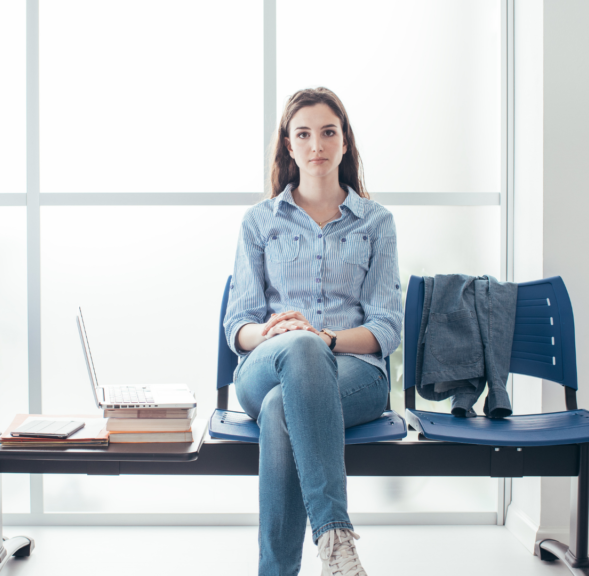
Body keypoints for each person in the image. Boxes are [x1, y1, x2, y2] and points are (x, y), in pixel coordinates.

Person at [223, 87, 403, 576]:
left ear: (345, 144)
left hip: (357, 374)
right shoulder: (260, 222)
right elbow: (236, 326)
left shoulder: (376, 223)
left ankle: (289, 567)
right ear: (288, 144)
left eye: (328, 132)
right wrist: (269, 332)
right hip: (267, 365)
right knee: (296, 348)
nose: (317, 144)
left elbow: (386, 328)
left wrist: (326, 339)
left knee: (286, 405)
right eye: (304, 134)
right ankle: (337, 540)